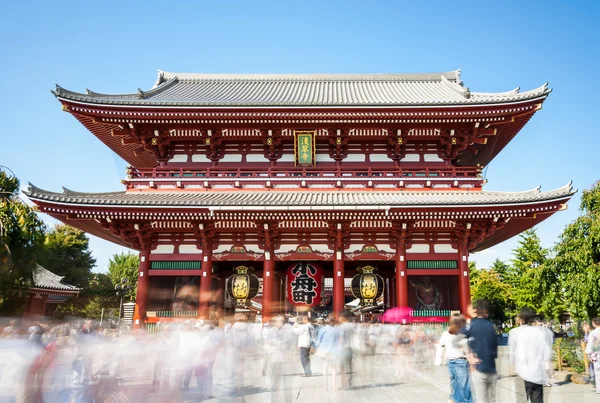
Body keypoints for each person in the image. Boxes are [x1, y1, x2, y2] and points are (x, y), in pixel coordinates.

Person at [508, 309, 553, 403]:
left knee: (521, 398)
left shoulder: (515, 332)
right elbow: (546, 351)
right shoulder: (539, 333)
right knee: (537, 397)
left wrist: (513, 366)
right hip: (537, 369)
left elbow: (514, 353)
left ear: (521, 319)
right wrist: (547, 365)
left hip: (521, 370)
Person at [461, 299, 498, 403]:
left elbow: (457, 338)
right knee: (493, 399)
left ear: (476, 310)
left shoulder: (472, 325)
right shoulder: (491, 326)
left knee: (482, 399)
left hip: (479, 368)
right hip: (492, 367)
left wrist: (468, 356)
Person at [438, 314, 472, 403]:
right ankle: (459, 401)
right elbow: (467, 350)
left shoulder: (445, 334)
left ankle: (452, 399)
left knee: (455, 384)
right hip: (461, 362)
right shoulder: (462, 336)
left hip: (451, 362)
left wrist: (439, 360)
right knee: (464, 386)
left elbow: (441, 346)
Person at [585, 317, 600, 394]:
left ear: (594, 323)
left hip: (597, 354)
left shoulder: (593, 333)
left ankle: (599, 389)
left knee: (598, 372)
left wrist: (589, 353)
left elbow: (591, 344)